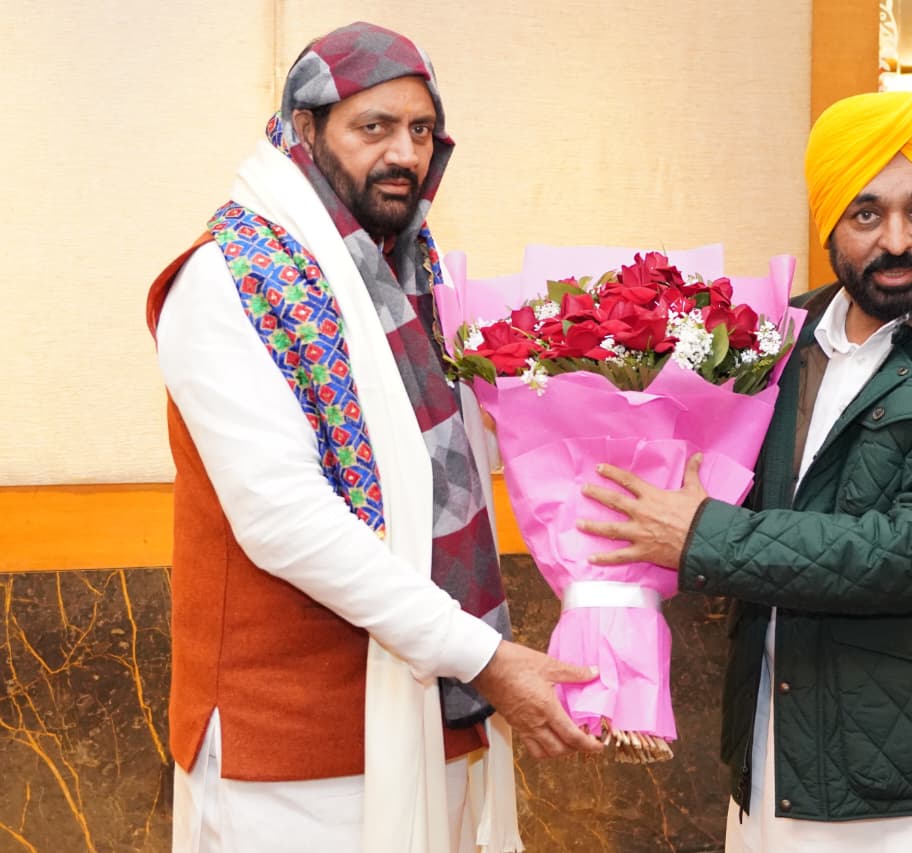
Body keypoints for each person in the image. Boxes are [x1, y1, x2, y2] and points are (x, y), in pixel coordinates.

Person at [577, 90, 912, 852]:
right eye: (867, 213)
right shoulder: (785, 335)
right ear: (831, 224)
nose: (897, 240)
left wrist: (705, 536)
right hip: (780, 753)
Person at [145, 22, 600, 853]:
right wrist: (483, 657)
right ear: (305, 129)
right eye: (374, 127)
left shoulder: (415, 277)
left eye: (421, 130)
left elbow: (463, 463)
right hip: (289, 757)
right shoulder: (229, 281)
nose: (404, 153)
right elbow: (284, 518)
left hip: (436, 718)